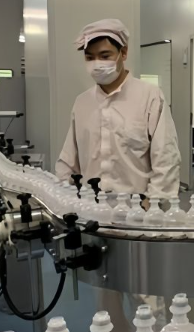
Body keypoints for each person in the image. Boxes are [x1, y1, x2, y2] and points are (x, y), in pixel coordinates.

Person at [56, 18, 181, 199]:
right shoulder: (82, 102)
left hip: (137, 206)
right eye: (90, 57)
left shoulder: (150, 97)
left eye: (105, 56)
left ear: (123, 53)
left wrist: (152, 203)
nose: (97, 64)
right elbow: (69, 160)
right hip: (91, 205)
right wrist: (62, 195)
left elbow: (166, 158)